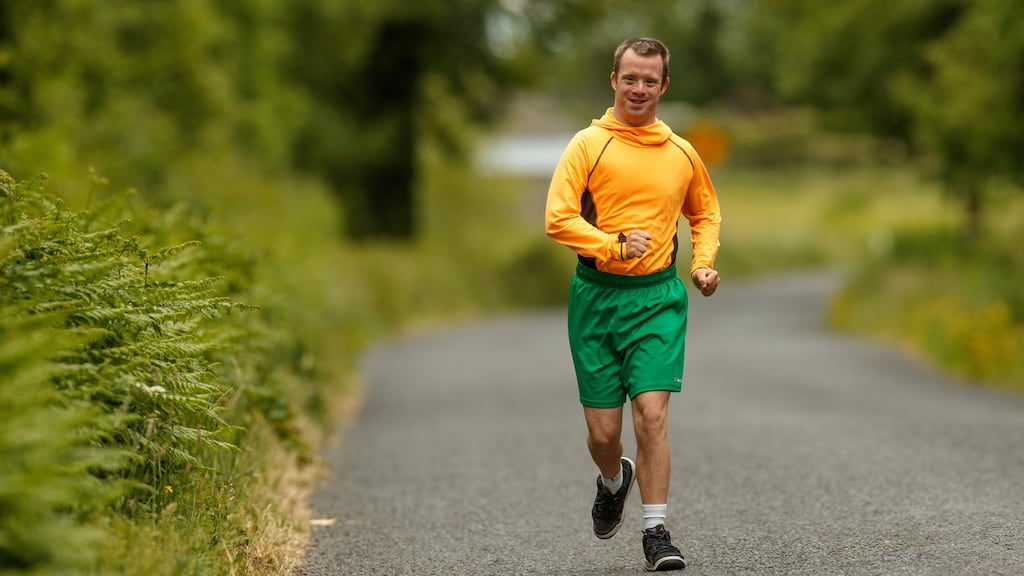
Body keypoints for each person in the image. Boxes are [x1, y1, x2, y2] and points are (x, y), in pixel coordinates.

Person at [544, 37, 721, 572]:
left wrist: (702, 262)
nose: (639, 88)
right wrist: (611, 244)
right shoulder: (588, 144)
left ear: (663, 86)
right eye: (630, 78)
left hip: (657, 299)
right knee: (603, 432)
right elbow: (558, 217)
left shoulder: (682, 152)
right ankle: (612, 479)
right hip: (596, 299)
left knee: (651, 414)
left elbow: (705, 213)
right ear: (614, 81)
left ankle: (657, 531)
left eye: (649, 80)